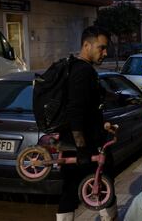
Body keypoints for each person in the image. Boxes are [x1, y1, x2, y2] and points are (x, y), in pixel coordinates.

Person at [56, 26, 117, 221]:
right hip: (86, 145)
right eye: (101, 48)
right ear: (86, 45)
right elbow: (75, 110)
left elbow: (86, 108)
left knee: (69, 190)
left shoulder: (74, 66)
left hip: (72, 141)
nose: (105, 53)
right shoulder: (83, 72)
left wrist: (102, 124)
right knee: (104, 187)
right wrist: (82, 147)